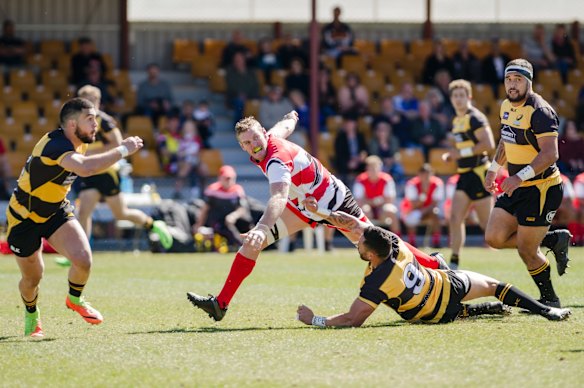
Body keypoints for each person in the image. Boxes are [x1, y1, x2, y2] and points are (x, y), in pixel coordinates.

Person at [187, 111, 447, 321]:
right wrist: (292, 117)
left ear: (263, 134)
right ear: (242, 147)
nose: (253, 144)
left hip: (334, 203)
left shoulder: (276, 161)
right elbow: (284, 127)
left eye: (255, 138)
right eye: (247, 142)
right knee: (251, 245)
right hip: (304, 206)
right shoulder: (269, 139)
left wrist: (261, 226)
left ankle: (435, 263)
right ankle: (220, 304)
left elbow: (278, 197)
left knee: (381, 245)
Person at [296, 201, 571, 328]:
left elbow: (352, 320)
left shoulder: (374, 282)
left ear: (370, 255)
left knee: (428, 310)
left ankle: (473, 312)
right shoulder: (394, 244)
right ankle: (546, 310)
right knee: (494, 286)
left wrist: (314, 320)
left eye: (359, 244)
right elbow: (355, 225)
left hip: (433, 316)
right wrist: (323, 213)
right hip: (448, 285)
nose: (357, 241)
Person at [5, 97, 144, 337]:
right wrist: (123, 150)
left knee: (83, 259)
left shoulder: (79, 141)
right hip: (24, 219)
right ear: (71, 124)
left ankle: (74, 299)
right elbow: (86, 168)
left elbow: (88, 165)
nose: (95, 125)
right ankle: (31, 314)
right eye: (89, 120)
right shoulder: (55, 144)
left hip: (55, 210)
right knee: (33, 278)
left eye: (95, 119)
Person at [484, 59, 572, 310]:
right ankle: (553, 239)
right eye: (508, 80)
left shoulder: (540, 111)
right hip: (517, 185)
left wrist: (518, 177)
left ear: (529, 82)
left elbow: (550, 154)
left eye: (518, 80)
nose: (512, 85)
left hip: (541, 189)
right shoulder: (505, 105)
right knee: (494, 238)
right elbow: (506, 140)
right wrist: (494, 169)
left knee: (526, 250)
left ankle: (549, 299)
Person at [75, 86, 173, 249]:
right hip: (90, 172)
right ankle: (80, 253)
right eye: (85, 101)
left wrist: (93, 153)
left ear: (98, 102)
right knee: (84, 213)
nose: (89, 105)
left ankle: (153, 224)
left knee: (121, 214)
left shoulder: (104, 121)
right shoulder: (79, 122)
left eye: (92, 101)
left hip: (107, 172)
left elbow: (119, 144)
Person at [441, 79, 495, 269]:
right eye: (455, 96)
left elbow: (488, 145)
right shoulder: (456, 120)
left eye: (461, 95)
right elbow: (464, 147)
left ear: (469, 97)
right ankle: (454, 261)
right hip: (464, 175)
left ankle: (529, 243)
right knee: (455, 218)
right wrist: (452, 155)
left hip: (479, 174)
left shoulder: (475, 118)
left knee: (488, 227)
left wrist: (460, 154)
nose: (458, 99)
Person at [192, 165, 253, 247]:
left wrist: (233, 216)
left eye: (231, 178)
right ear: (220, 178)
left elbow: (242, 208)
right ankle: (239, 245)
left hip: (233, 221)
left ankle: (246, 244)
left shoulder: (237, 190)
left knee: (246, 223)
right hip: (217, 222)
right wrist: (198, 224)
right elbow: (205, 208)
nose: (229, 181)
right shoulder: (212, 190)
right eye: (226, 178)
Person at [353, 156, 401, 235]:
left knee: (391, 210)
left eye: (375, 168)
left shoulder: (387, 179)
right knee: (364, 209)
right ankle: (365, 238)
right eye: (371, 168)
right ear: (367, 168)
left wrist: (379, 202)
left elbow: (390, 200)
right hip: (369, 210)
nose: (373, 171)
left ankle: (397, 239)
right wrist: (373, 202)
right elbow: (359, 201)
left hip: (382, 210)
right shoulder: (360, 180)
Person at [400, 164, 444, 248]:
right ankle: (412, 242)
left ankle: (436, 242)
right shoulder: (412, 184)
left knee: (435, 212)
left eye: (428, 174)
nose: (425, 177)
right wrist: (421, 200)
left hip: (428, 210)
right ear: (419, 174)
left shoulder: (437, 184)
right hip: (412, 210)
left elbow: (435, 203)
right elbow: (412, 205)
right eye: (423, 174)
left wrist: (424, 210)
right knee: (412, 218)